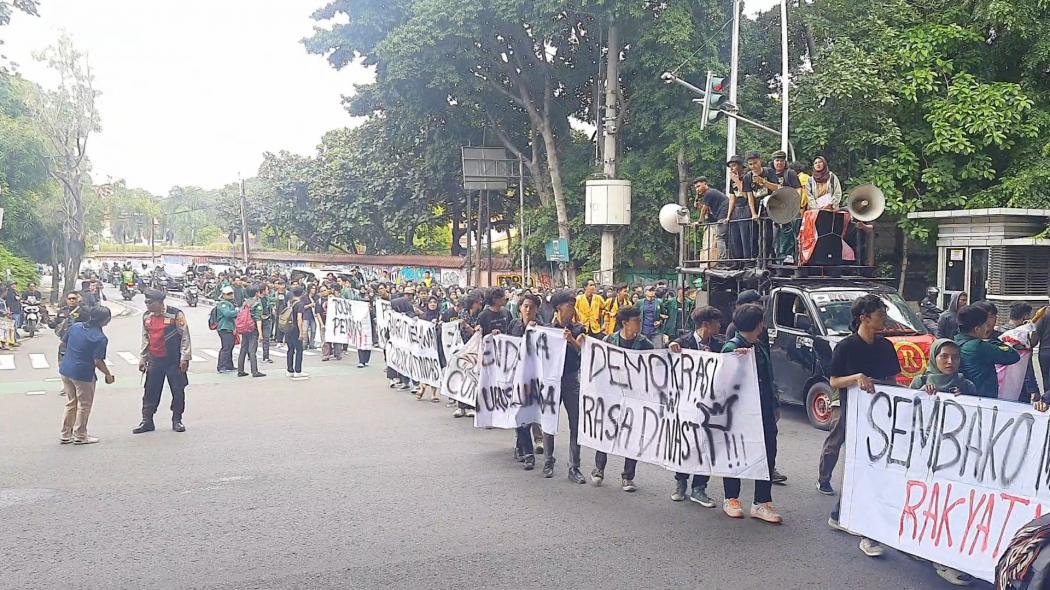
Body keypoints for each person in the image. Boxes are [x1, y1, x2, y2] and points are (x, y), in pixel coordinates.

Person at [820, 294, 902, 557]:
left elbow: (892, 380)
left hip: (882, 415)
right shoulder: (846, 347)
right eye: (879, 314)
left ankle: (843, 512)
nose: (884, 319)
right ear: (864, 317)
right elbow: (834, 381)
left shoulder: (886, 346)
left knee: (875, 464)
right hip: (851, 410)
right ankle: (851, 514)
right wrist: (856, 378)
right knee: (855, 460)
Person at [908, 338, 977, 586]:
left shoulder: (965, 384)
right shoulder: (921, 381)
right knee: (926, 500)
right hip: (926, 456)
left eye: (955, 357)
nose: (950, 362)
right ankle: (920, 545)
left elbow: (983, 414)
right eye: (944, 356)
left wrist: (966, 397)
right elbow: (905, 414)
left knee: (948, 505)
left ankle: (943, 555)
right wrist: (921, 395)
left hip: (956, 458)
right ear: (934, 358)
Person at [718, 304, 782, 523]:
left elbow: (769, 378)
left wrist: (774, 405)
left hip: (763, 410)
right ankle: (731, 497)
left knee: (767, 454)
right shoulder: (732, 348)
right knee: (735, 453)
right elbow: (724, 382)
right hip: (739, 414)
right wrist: (738, 361)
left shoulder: (759, 346)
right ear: (757, 324)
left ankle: (762, 501)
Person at [592, 306, 653, 492]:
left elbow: (653, 368)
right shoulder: (609, 341)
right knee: (607, 431)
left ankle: (628, 476)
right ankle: (599, 468)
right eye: (636, 321)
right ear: (625, 323)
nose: (640, 324)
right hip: (612, 396)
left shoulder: (645, 344)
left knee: (632, 435)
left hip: (634, 396)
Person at [669, 306, 725, 506]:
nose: (720, 326)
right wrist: (673, 348)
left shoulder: (719, 345)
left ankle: (699, 488)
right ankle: (681, 482)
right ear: (706, 324)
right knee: (685, 442)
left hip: (711, 405)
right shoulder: (683, 343)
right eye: (717, 322)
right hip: (686, 404)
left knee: (706, 444)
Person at [134, 290, 192, 434]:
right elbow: (145, 338)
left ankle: (177, 420)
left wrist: (185, 357)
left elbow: (185, 336)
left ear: (160, 303)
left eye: (150, 302)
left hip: (173, 360)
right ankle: (147, 420)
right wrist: (143, 358)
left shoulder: (175, 315)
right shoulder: (147, 317)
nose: (147, 305)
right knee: (150, 390)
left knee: (177, 390)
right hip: (155, 359)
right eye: (146, 302)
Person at [545, 289, 587, 483]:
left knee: (575, 423)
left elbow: (582, 350)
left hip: (571, 379)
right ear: (558, 308)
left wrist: (570, 340)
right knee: (549, 421)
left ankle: (574, 467)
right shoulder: (546, 329)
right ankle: (548, 460)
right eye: (569, 306)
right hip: (551, 380)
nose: (572, 310)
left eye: (573, 306)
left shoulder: (578, 329)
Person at [58, 306, 115, 445]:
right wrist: (108, 374)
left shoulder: (76, 327)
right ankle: (80, 435)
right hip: (83, 373)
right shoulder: (100, 338)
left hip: (66, 370)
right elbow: (98, 361)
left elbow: (62, 344)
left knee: (71, 402)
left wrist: (61, 362)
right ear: (106, 320)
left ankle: (66, 434)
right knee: (84, 405)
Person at [508, 292, 545, 469]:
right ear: (520, 308)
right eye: (525, 306)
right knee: (519, 412)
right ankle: (527, 451)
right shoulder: (514, 325)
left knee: (530, 413)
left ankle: (525, 446)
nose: (528, 310)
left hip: (534, 378)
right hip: (516, 377)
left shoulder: (542, 327)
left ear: (537, 310)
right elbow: (507, 346)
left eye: (532, 307)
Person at [955, 304, 1020, 397]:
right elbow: (1013, 356)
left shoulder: (954, 341)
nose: (986, 328)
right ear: (977, 329)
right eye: (985, 324)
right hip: (981, 399)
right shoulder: (978, 346)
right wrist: (992, 341)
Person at [767, 150, 804, 261]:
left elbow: (798, 189)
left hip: (789, 208)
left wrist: (797, 204)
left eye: (781, 161)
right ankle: (776, 256)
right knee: (775, 235)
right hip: (775, 209)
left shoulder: (790, 173)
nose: (779, 163)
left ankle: (788, 255)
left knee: (789, 232)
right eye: (777, 161)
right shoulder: (769, 174)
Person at [725, 155, 758, 262]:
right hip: (737, 209)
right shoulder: (732, 180)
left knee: (746, 237)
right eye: (730, 166)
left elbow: (745, 194)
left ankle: (748, 261)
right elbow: (732, 199)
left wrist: (737, 181)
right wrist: (728, 216)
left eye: (734, 166)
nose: (732, 169)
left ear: (740, 166)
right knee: (735, 237)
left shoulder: (746, 177)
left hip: (746, 207)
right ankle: (737, 261)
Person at [693, 176, 729, 263]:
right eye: (695, 188)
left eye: (698, 186)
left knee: (720, 237)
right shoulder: (710, 194)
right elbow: (707, 211)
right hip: (721, 215)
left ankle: (723, 261)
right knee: (723, 237)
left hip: (723, 214)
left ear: (705, 184)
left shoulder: (709, 193)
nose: (697, 189)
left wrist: (699, 221)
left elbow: (704, 209)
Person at [236, 284, 266, 378]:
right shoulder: (257, 304)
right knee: (252, 350)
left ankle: (240, 370)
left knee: (243, 349)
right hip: (252, 329)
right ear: (256, 293)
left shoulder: (245, 303)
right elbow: (258, 319)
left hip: (244, 328)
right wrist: (261, 334)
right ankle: (255, 371)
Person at [285, 287, 309, 380]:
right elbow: (299, 318)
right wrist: (301, 332)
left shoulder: (290, 303)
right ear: (302, 294)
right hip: (295, 329)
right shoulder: (300, 304)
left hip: (288, 328)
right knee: (299, 349)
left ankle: (289, 370)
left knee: (290, 349)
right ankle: (298, 370)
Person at [215, 286, 238, 373]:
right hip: (224, 328)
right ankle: (221, 366)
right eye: (228, 294)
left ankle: (229, 365)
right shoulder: (223, 304)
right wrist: (237, 311)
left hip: (230, 328)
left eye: (231, 293)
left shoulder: (231, 303)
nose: (231, 295)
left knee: (230, 347)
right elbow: (227, 314)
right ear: (224, 295)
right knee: (226, 347)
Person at [258, 283, 274, 363]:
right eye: (267, 289)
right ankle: (250, 355)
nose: (268, 291)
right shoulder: (257, 300)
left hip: (267, 320)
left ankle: (266, 356)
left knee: (266, 339)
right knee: (254, 339)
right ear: (263, 290)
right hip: (258, 321)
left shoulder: (267, 298)